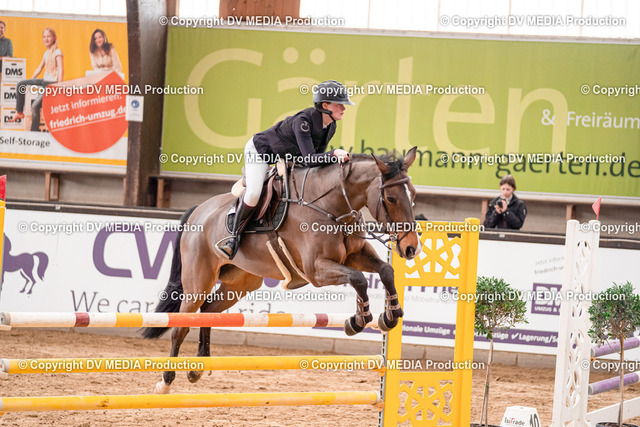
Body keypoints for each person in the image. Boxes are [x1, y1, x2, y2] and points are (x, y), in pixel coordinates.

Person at [218, 80, 354, 259]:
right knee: (253, 194)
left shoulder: (330, 126)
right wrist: (334, 153)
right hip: (260, 152)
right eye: (339, 104)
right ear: (325, 105)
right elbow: (310, 158)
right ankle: (232, 238)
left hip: (287, 158)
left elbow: (316, 161)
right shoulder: (303, 121)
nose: (344, 108)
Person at [9, 28, 63, 131]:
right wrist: (31, 80)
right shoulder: (46, 53)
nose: (46, 39)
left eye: (49, 36)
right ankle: (19, 112)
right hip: (44, 81)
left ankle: (34, 132)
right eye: (44, 37)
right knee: (21, 84)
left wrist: (59, 86)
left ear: (54, 38)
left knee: (34, 106)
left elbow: (61, 69)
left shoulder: (58, 52)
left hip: (52, 84)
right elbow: (40, 68)